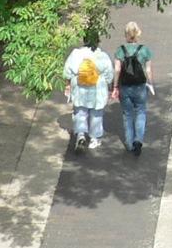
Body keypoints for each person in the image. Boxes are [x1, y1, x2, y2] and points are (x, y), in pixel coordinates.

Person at [63, 33, 114, 152]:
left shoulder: (75, 54)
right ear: (97, 41)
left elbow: (67, 72)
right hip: (97, 90)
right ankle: (94, 139)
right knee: (96, 114)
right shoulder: (102, 56)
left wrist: (68, 85)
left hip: (80, 89)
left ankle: (81, 135)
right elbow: (109, 76)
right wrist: (110, 86)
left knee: (80, 112)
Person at [112, 22, 156, 156]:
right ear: (138, 34)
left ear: (126, 34)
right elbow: (148, 70)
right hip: (140, 86)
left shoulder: (120, 50)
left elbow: (117, 70)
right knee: (141, 112)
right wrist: (151, 84)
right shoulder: (144, 50)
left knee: (127, 115)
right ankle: (139, 140)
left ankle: (130, 144)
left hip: (125, 86)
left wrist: (115, 86)